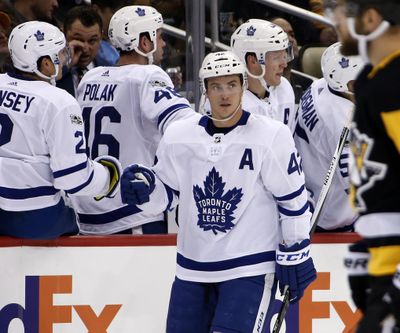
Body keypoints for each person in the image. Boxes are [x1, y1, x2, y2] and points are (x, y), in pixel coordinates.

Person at [120, 51, 316, 332]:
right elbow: (167, 196)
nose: (225, 95)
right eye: (216, 86)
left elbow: (292, 198)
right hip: (192, 267)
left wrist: (296, 249)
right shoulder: (179, 136)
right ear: (205, 91)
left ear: (243, 87)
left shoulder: (270, 135)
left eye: (232, 85)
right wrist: (145, 192)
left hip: (249, 268)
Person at [70, 5, 195, 235]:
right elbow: (185, 126)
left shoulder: (90, 78)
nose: (163, 43)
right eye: (159, 35)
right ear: (144, 42)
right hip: (132, 210)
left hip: (87, 209)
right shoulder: (148, 75)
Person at [0, 21, 121, 239]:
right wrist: (109, 176)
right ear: (45, 63)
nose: (65, 57)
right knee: (79, 219)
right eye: (59, 52)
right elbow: (73, 178)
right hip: (34, 217)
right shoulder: (58, 101)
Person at [327, 0, 400, 331]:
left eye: (341, 11)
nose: (333, 20)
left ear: (371, 19)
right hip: (383, 254)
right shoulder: (373, 79)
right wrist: (369, 246)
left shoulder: (394, 84)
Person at [294, 42, 363, 232]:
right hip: (331, 221)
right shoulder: (344, 126)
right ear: (352, 84)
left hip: (307, 189)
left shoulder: (322, 85)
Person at [230, 19, 297, 132]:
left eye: (285, 55)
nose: (284, 64)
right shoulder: (228, 102)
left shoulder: (284, 88)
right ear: (252, 61)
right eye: (276, 57)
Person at [56, 6, 106, 97]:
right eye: (78, 39)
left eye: (92, 41)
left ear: (101, 37)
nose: (85, 48)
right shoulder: (49, 73)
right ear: (62, 34)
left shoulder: (110, 70)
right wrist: (64, 68)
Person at [270, 16, 314, 105]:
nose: (290, 40)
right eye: (281, 35)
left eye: (292, 35)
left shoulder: (308, 84)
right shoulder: (260, 90)